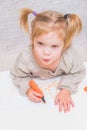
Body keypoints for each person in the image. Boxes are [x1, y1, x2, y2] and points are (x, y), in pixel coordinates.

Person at [11, 8, 85, 113]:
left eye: (54, 46)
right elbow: (17, 75)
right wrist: (27, 89)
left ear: (65, 44)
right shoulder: (26, 57)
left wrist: (66, 90)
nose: (46, 52)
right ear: (32, 40)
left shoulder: (69, 56)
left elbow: (78, 71)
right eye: (40, 44)